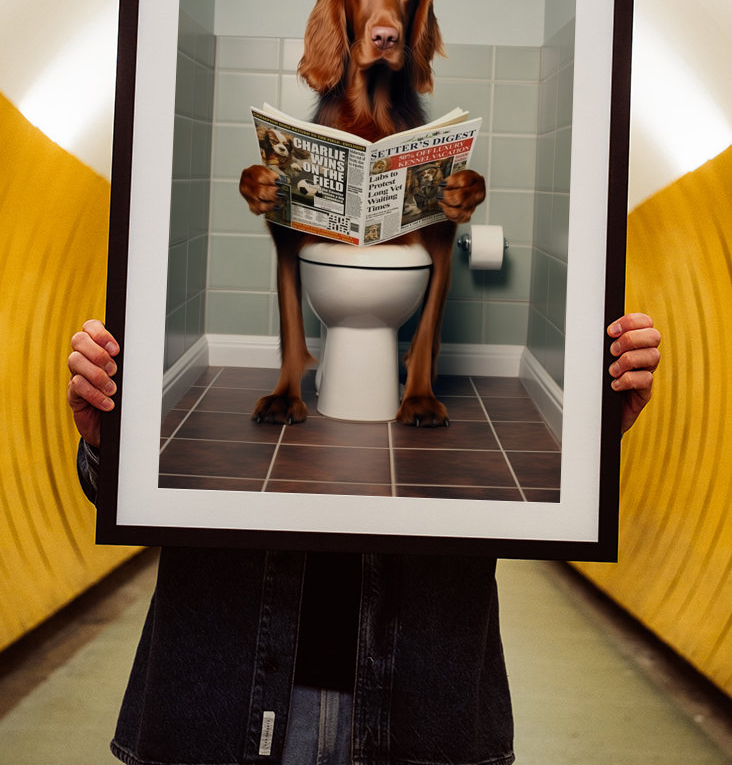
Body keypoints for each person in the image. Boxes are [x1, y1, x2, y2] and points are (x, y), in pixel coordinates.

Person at [68, 313, 661, 765]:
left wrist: (589, 433)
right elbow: (126, 493)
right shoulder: (214, 386)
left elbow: (531, 493)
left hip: (419, 701)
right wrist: (108, 442)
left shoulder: (479, 391)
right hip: (224, 693)